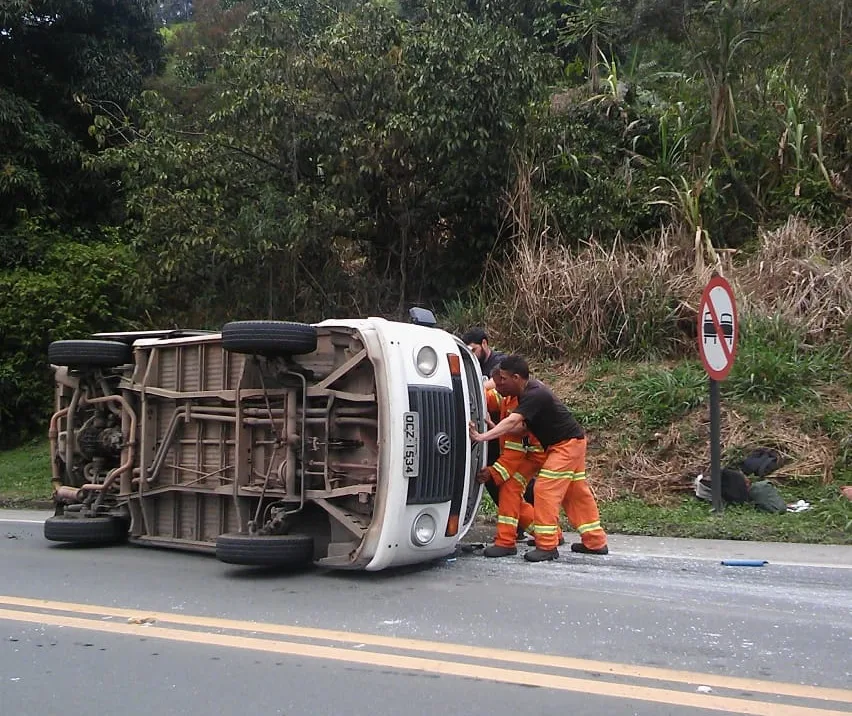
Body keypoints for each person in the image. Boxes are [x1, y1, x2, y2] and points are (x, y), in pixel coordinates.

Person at [469, 355, 608, 562]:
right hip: (565, 444)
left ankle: (547, 546)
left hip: (566, 445)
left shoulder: (534, 394)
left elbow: (513, 422)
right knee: (575, 493)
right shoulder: (522, 393)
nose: (499, 385)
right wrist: (490, 424)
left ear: (516, 378)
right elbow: (518, 428)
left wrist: (482, 436)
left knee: (544, 489)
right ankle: (595, 542)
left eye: (503, 380)